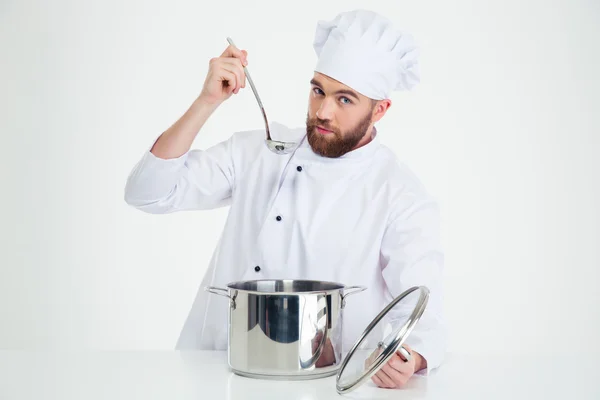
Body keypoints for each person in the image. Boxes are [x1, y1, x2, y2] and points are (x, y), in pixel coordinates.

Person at [124, 9, 446, 389]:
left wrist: (408, 357)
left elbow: (422, 307)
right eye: (318, 91)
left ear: (380, 109)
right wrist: (206, 102)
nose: (323, 112)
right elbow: (147, 192)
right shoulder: (258, 151)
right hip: (215, 374)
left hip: (321, 381)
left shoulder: (399, 193)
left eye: (345, 100)